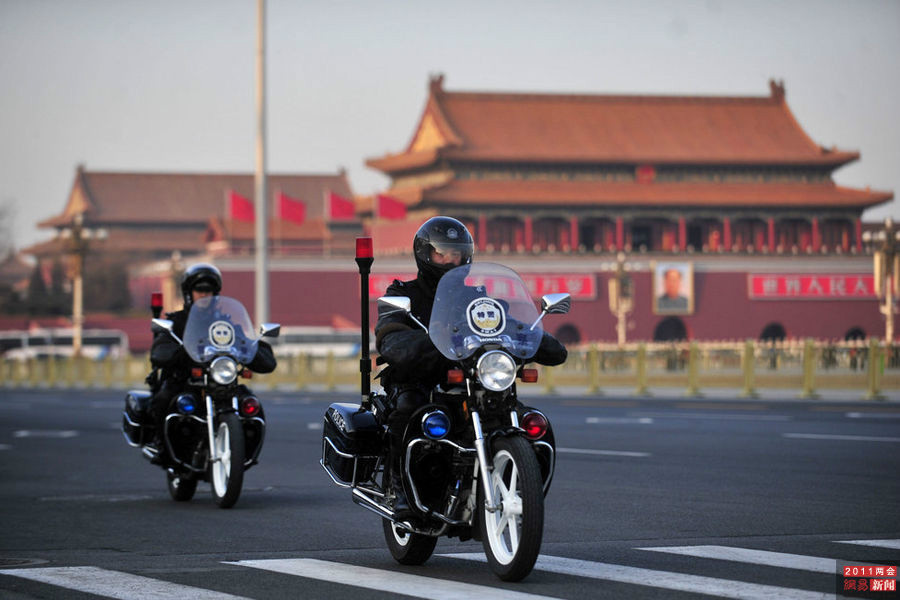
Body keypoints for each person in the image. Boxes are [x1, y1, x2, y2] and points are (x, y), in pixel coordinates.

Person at [374, 216, 567, 518]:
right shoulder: (403, 294)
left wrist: (534, 336)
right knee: (409, 410)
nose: (451, 260)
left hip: (473, 376)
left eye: (457, 253)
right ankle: (400, 490)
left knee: (531, 422)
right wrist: (411, 343)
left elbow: (504, 323)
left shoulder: (477, 296)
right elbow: (389, 334)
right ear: (425, 255)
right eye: (443, 253)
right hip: (420, 378)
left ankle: (524, 489)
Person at [147, 263, 276, 459]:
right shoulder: (177, 322)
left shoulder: (226, 324)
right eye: (200, 290)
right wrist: (175, 351)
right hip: (186, 380)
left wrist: (255, 348)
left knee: (252, 407)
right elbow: (160, 350)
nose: (205, 295)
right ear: (189, 293)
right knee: (164, 399)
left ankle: (246, 455)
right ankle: (160, 446)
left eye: (209, 290)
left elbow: (247, 343)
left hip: (222, 379)